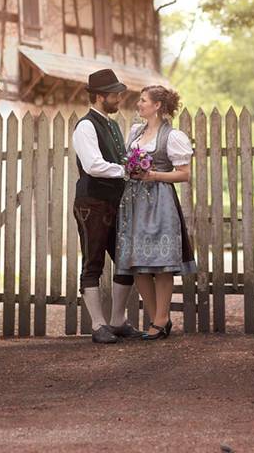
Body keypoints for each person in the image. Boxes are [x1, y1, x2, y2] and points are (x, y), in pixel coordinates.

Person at [116, 85, 196, 340]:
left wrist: (154, 175)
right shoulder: (135, 133)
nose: (138, 105)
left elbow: (184, 174)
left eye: (143, 101)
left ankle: (161, 319)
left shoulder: (172, 136)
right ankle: (157, 318)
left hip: (160, 201)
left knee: (161, 265)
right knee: (138, 265)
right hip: (134, 203)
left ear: (157, 105)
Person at [71, 69, 144, 344]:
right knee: (93, 263)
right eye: (114, 94)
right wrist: (126, 170)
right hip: (92, 203)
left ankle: (118, 321)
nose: (119, 98)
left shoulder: (113, 126)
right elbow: (93, 166)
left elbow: (117, 160)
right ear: (100, 96)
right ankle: (98, 325)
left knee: (125, 262)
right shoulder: (86, 126)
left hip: (115, 202)